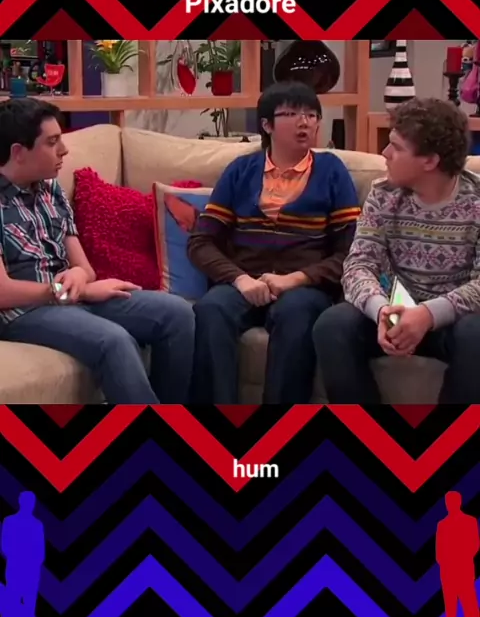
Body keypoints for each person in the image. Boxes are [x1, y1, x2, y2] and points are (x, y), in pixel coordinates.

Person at [0, 98, 194, 404]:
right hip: (24, 312)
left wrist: (79, 280)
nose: (64, 150)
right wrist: (64, 291)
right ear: (18, 152)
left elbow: (84, 268)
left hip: (70, 297)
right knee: (114, 341)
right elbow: (3, 293)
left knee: (177, 314)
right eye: (52, 142)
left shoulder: (51, 189)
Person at [187, 81, 360, 404]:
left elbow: (352, 251)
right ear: (267, 125)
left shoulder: (332, 171)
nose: (304, 122)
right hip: (245, 282)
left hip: (303, 287)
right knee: (211, 309)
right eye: (292, 114)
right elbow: (201, 242)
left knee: (297, 313)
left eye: (312, 115)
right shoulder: (241, 171)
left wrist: (296, 279)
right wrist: (239, 279)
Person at [312, 97, 480, 404]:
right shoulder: (383, 194)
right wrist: (382, 312)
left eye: (397, 147)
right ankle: (365, 430)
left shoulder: (477, 201)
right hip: (395, 314)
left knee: (476, 333)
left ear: (429, 161)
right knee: (332, 325)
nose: (385, 153)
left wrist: (428, 315)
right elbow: (359, 265)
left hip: (454, 319)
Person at [434, 491, 479, 617]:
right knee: (450, 605)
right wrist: (444, 563)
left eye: (452, 501)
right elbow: (439, 550)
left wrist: (458, 558)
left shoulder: (470, 521)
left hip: (464, 569)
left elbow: (474, 545)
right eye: (448, 502)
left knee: (469, 605)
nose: (449, 505)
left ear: (458, 502)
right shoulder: (442, 524)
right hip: (448, 571)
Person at [1, 491, 45, 617]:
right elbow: (5, 546)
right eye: (27, 501)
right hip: (19, 571)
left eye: (31, 501)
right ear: (20, 501)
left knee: (25, 609)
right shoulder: (11, 522)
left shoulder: (36, 525)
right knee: (14, 608)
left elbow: (41, 553)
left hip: (25, 572)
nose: (29, 504)